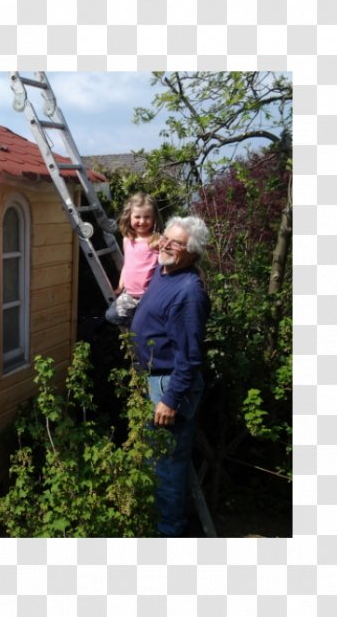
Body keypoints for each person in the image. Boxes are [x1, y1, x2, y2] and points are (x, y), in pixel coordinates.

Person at [129, 215, 211, 537]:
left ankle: (168, 534)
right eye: (165, 237)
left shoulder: (189, 292)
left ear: (192, 252)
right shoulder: (166, 271)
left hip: (168, 386)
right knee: (155, 463)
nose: (164, 244)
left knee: (167, 469)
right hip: (155, 379)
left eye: (176, 243)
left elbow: (189, 358)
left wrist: (170, 399)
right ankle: (157, 525)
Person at [104, 193, 163, 327]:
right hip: (130, 294)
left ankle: (145, 326)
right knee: (111, 315)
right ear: (129, 216)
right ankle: (142, 325)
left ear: (154, 219)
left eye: (147, 217)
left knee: (154, 318)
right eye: (137, 217)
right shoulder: (127, 240)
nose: (142, 221)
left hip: (149, 295)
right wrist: (120, 286)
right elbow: (127, 265)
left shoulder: (156, 240)